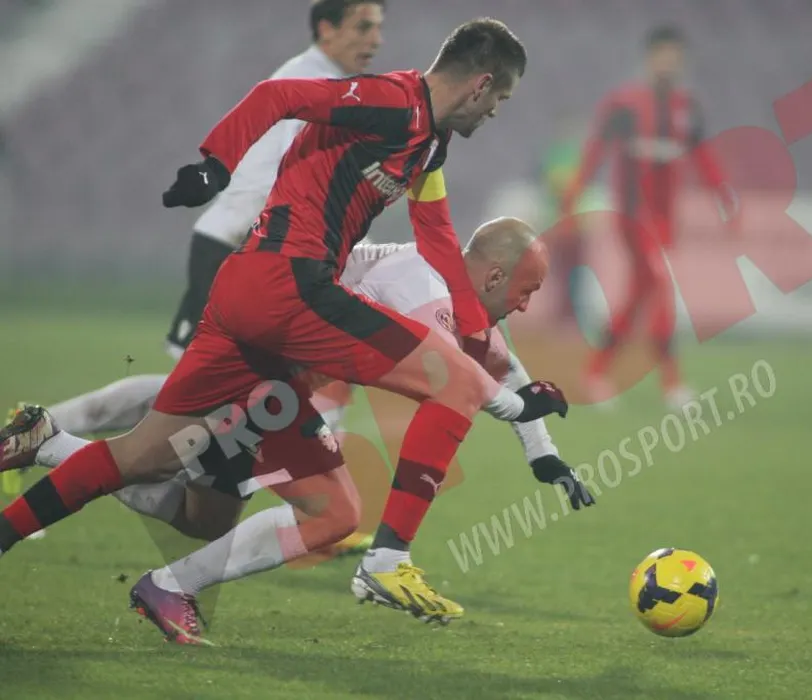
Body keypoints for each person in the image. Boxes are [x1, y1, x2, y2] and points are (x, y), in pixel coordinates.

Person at [0, 18, 570, 641]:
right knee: (452, 381)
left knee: (293, 500)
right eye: (500, 98)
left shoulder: (431, 144)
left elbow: (435, 233)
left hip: (259, 301)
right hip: (290, 286)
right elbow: (279, 97)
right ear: (481, 84)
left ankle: (93, 538)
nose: (496, 112)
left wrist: (475, 336)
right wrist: (215, 164)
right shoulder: (391, 102)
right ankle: (388, 561)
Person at [0, 218, 594, 644]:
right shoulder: (422, 285)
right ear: (494, 275)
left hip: (275, 379)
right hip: (263, 374)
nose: (525, 306)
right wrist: (518, 410)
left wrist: (544, 454)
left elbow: (498, 362)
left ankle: (54, 445)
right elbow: (457, 375)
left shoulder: (446, 285)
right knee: (326, 510)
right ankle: (153, 566)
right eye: (527, 292)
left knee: (198, 512)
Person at [11, 0, 387, 554]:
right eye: (364, 26)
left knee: (220, 403)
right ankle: (42, 435)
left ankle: (45, 436)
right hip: (241, 253)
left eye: (379, 28)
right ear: (326, 29)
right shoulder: (315, 84)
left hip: (264, 258)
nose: (375, 40)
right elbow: (288, 182)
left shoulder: (334, 88)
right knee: (191, 408)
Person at [560, 25, 739, 409]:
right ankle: (672, 384)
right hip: (632, 216)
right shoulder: (624, 104)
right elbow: (595, 150)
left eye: (675, 58)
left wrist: (724, 196)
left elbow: (702, 155)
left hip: (665, 220)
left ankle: (594, 373)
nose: (668, 64)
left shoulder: (686, 107)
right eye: (662, 56)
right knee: (661, 285)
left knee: (638, 296)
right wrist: (573, 195)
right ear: (648, 58)